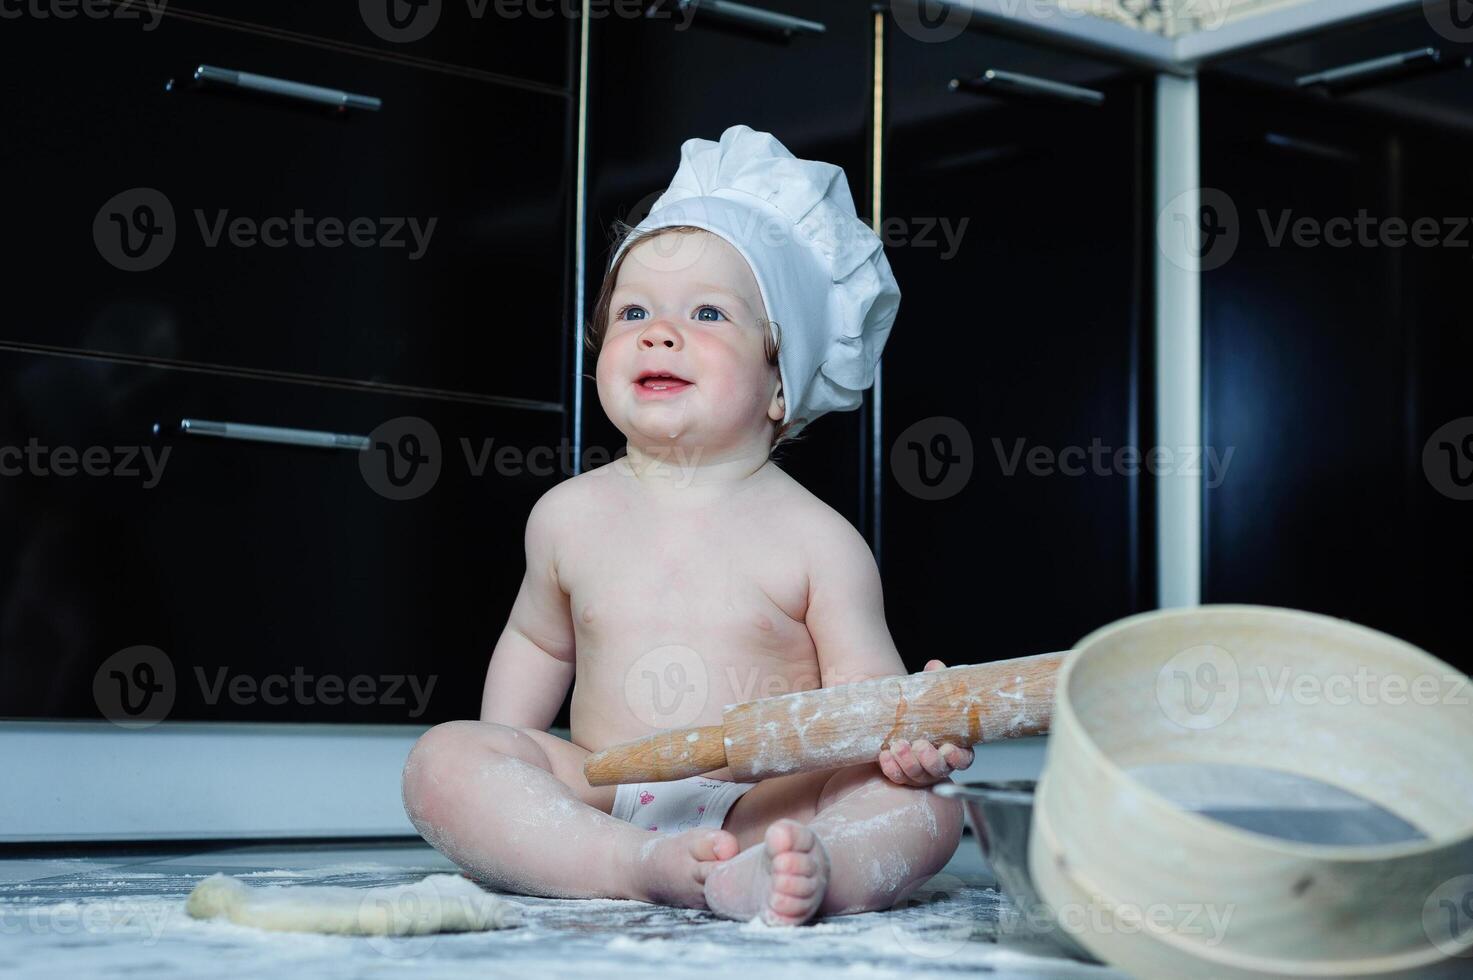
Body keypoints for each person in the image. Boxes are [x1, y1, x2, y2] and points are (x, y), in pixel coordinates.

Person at [401, 125, 972, 926]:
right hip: (602, 791)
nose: (658, 331)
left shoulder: (818, 541)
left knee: (926, 805)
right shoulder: (567, 515)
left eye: (707, 312)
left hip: (764, 804)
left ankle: (811, 868)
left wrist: (905, 744)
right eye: (633, 310)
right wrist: (512, 770)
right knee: (443, 760)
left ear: (782, 379)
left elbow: (861, 708)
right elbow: (538, 645)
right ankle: (634, 865)